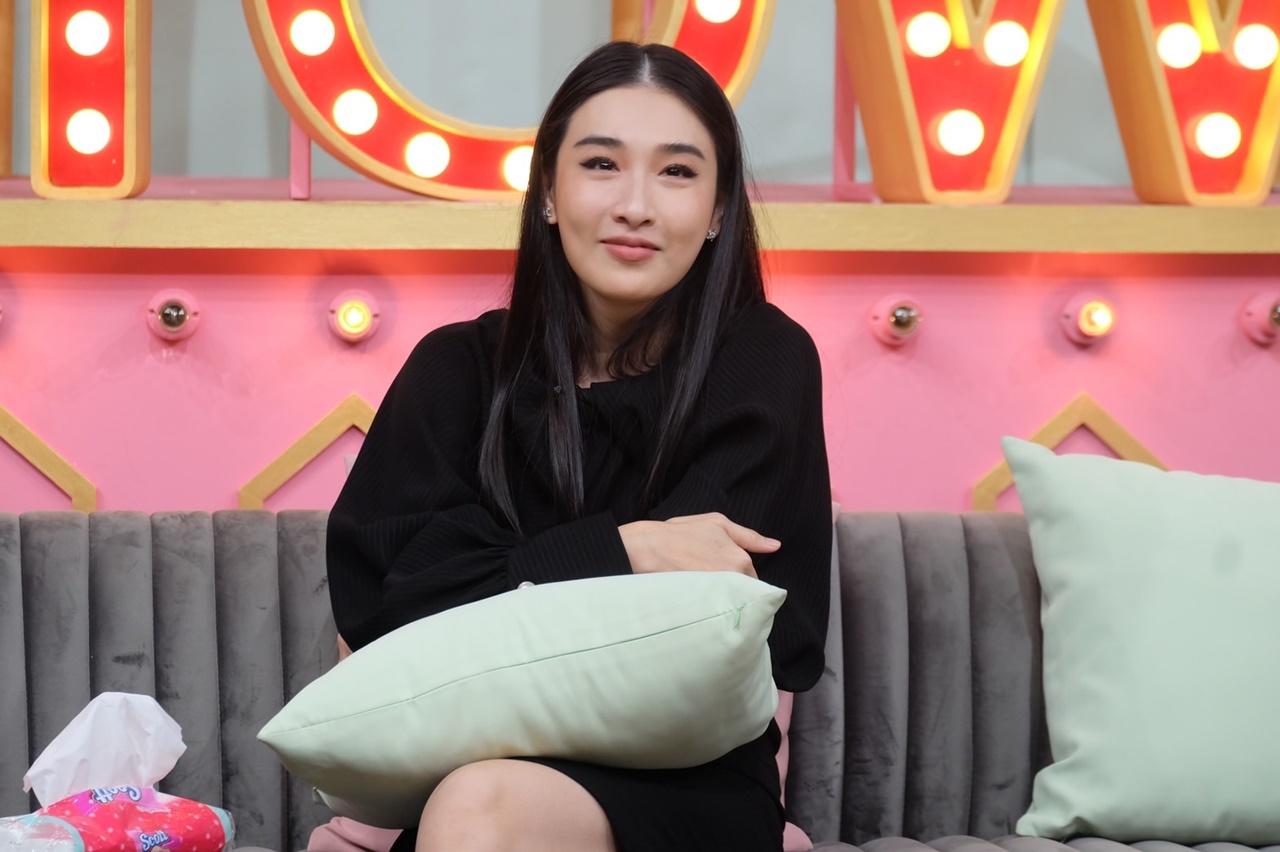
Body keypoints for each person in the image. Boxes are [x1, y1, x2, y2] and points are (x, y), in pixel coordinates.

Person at [326, 40, 832, 852]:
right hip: (470, 753)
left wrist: (511, 575)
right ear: (549, 195)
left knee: (480, 807)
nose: (635, 205)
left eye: (677, 172)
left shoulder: (764, 358)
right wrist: (631, 548)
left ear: (718, 211)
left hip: (686, 778)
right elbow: (389, 608)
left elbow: (717, 623)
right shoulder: (455, 370)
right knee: (476, 798)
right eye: (601, 164)